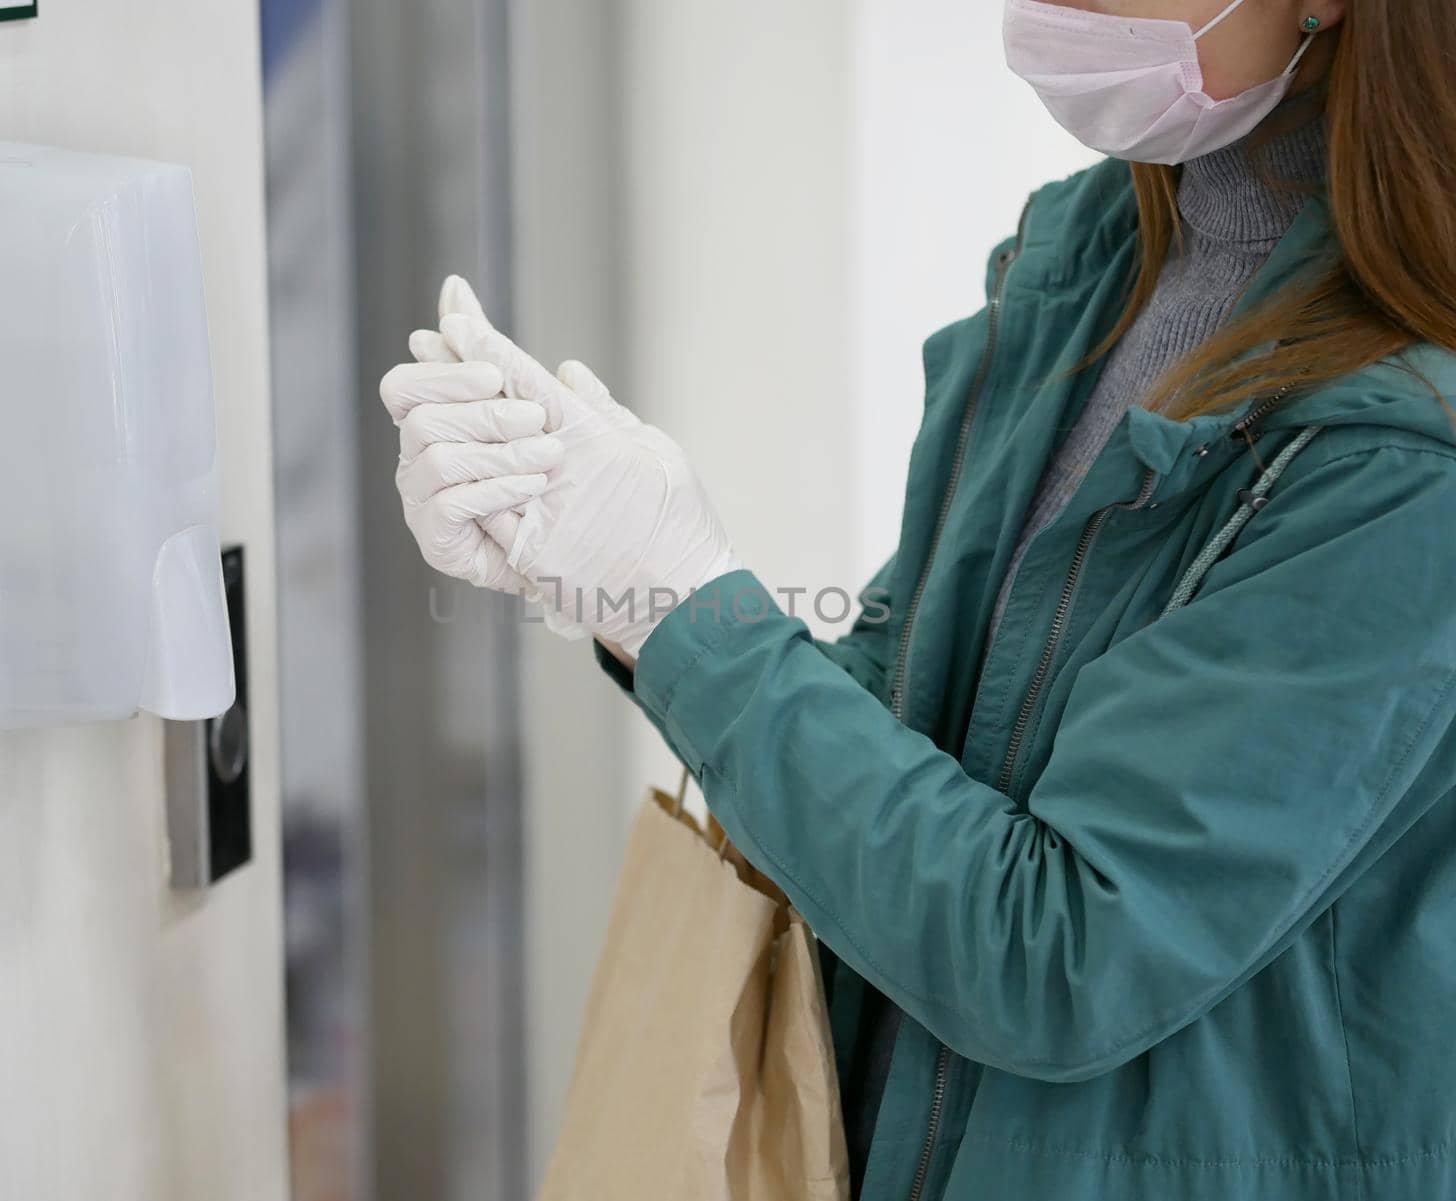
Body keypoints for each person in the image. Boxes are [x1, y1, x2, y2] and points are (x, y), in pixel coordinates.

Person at [379, 0, 1456, 1196]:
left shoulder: (1407, 452)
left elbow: (1065, 953)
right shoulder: (1089, 265)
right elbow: (913, 715)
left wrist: (686, 608)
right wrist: (611, 582)